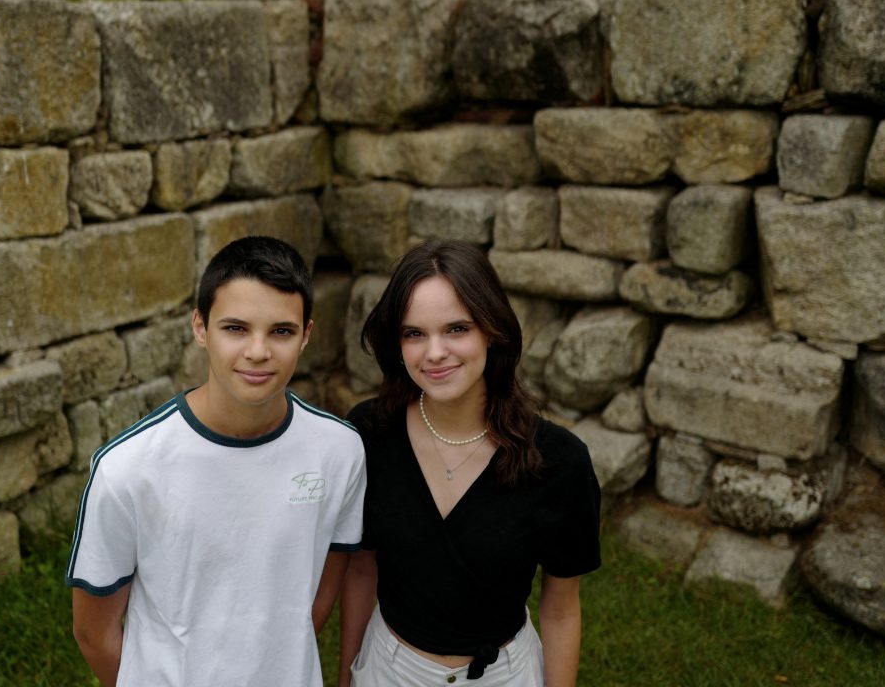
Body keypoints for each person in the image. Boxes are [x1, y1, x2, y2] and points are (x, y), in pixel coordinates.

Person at [67, 235, 366, 687]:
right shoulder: (127, 468)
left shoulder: (340, 451)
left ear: (306, 334)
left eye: (281, 331)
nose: (258, 351)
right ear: (200, 328)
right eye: (236, 328)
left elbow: (319, 597)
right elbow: (93, 632)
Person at [338, 239, 601, 687]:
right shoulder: (369, 432)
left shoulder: (559, 461)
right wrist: (347, 677)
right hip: (389, 669)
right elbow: (362, 568)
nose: (435, 353)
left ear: (491, 330)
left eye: (457, 328)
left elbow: (560, 609)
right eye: (414, 333)